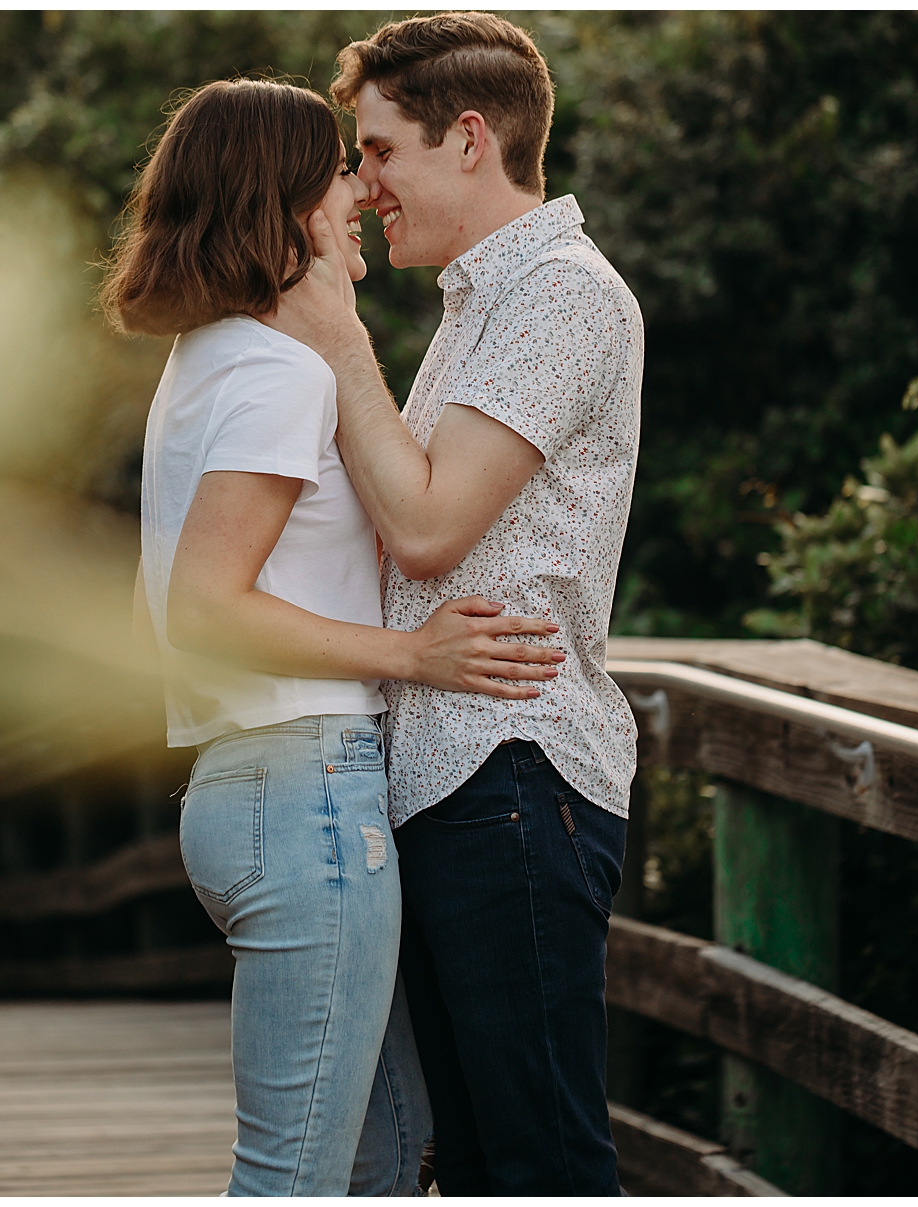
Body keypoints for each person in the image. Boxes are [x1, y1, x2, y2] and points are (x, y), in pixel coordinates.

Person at [105, 78, 570, 1197]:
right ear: (286, 205)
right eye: (338, 172)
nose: (360, 191)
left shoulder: (206, 362)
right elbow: (204, 609)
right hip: (305, 794)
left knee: (386, 1152)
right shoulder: (274, 373)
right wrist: (414, 655)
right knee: (297, 1180)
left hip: (255, 789)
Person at [264, 13, 645, 1196]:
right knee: (477, 1165)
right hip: (453, 780)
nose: (363, 185)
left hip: (513, 772)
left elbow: (426, 529)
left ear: (468, 138)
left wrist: (335, 339)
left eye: (379, 150)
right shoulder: (479, 307)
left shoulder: (561, 298)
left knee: (543, 1162)